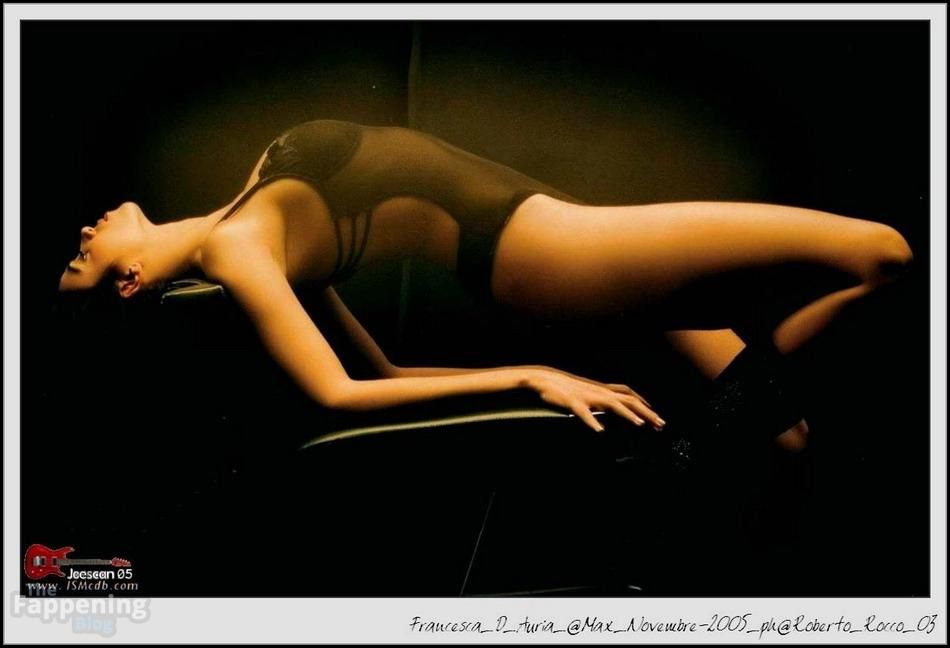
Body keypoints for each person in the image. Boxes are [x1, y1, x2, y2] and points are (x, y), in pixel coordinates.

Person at [58, 119, 915, 453]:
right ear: (129, 285)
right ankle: (699, 454)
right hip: (552, 253)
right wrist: (530, 376)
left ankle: (710, 451)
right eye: (79, 263)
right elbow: (336, 394)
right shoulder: (239, 248)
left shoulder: (246, 224)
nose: (84, 237)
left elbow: (384, 373)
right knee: (880, 255)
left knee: (786, 439)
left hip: (556, 233)